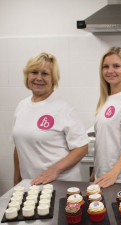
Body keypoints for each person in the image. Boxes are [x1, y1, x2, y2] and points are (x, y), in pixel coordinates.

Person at [12, 52, 89, 185]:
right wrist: (17, 181)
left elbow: (82, 148)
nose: (38, 78)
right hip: (31, 184)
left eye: (45, 74)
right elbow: (18, 147)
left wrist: (54, 170)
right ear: (27, 75)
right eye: (34, 72)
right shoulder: (21, 106)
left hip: (61, 184)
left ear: (53, 78)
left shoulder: (64, 108)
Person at [91, 47, 121, 188]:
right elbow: (103, 140)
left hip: (119, 179)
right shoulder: (104, 100)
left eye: (116, 66)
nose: (110, 71)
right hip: (102, 176)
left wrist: (114, 173)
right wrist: (95, 169)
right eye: (106, 66)